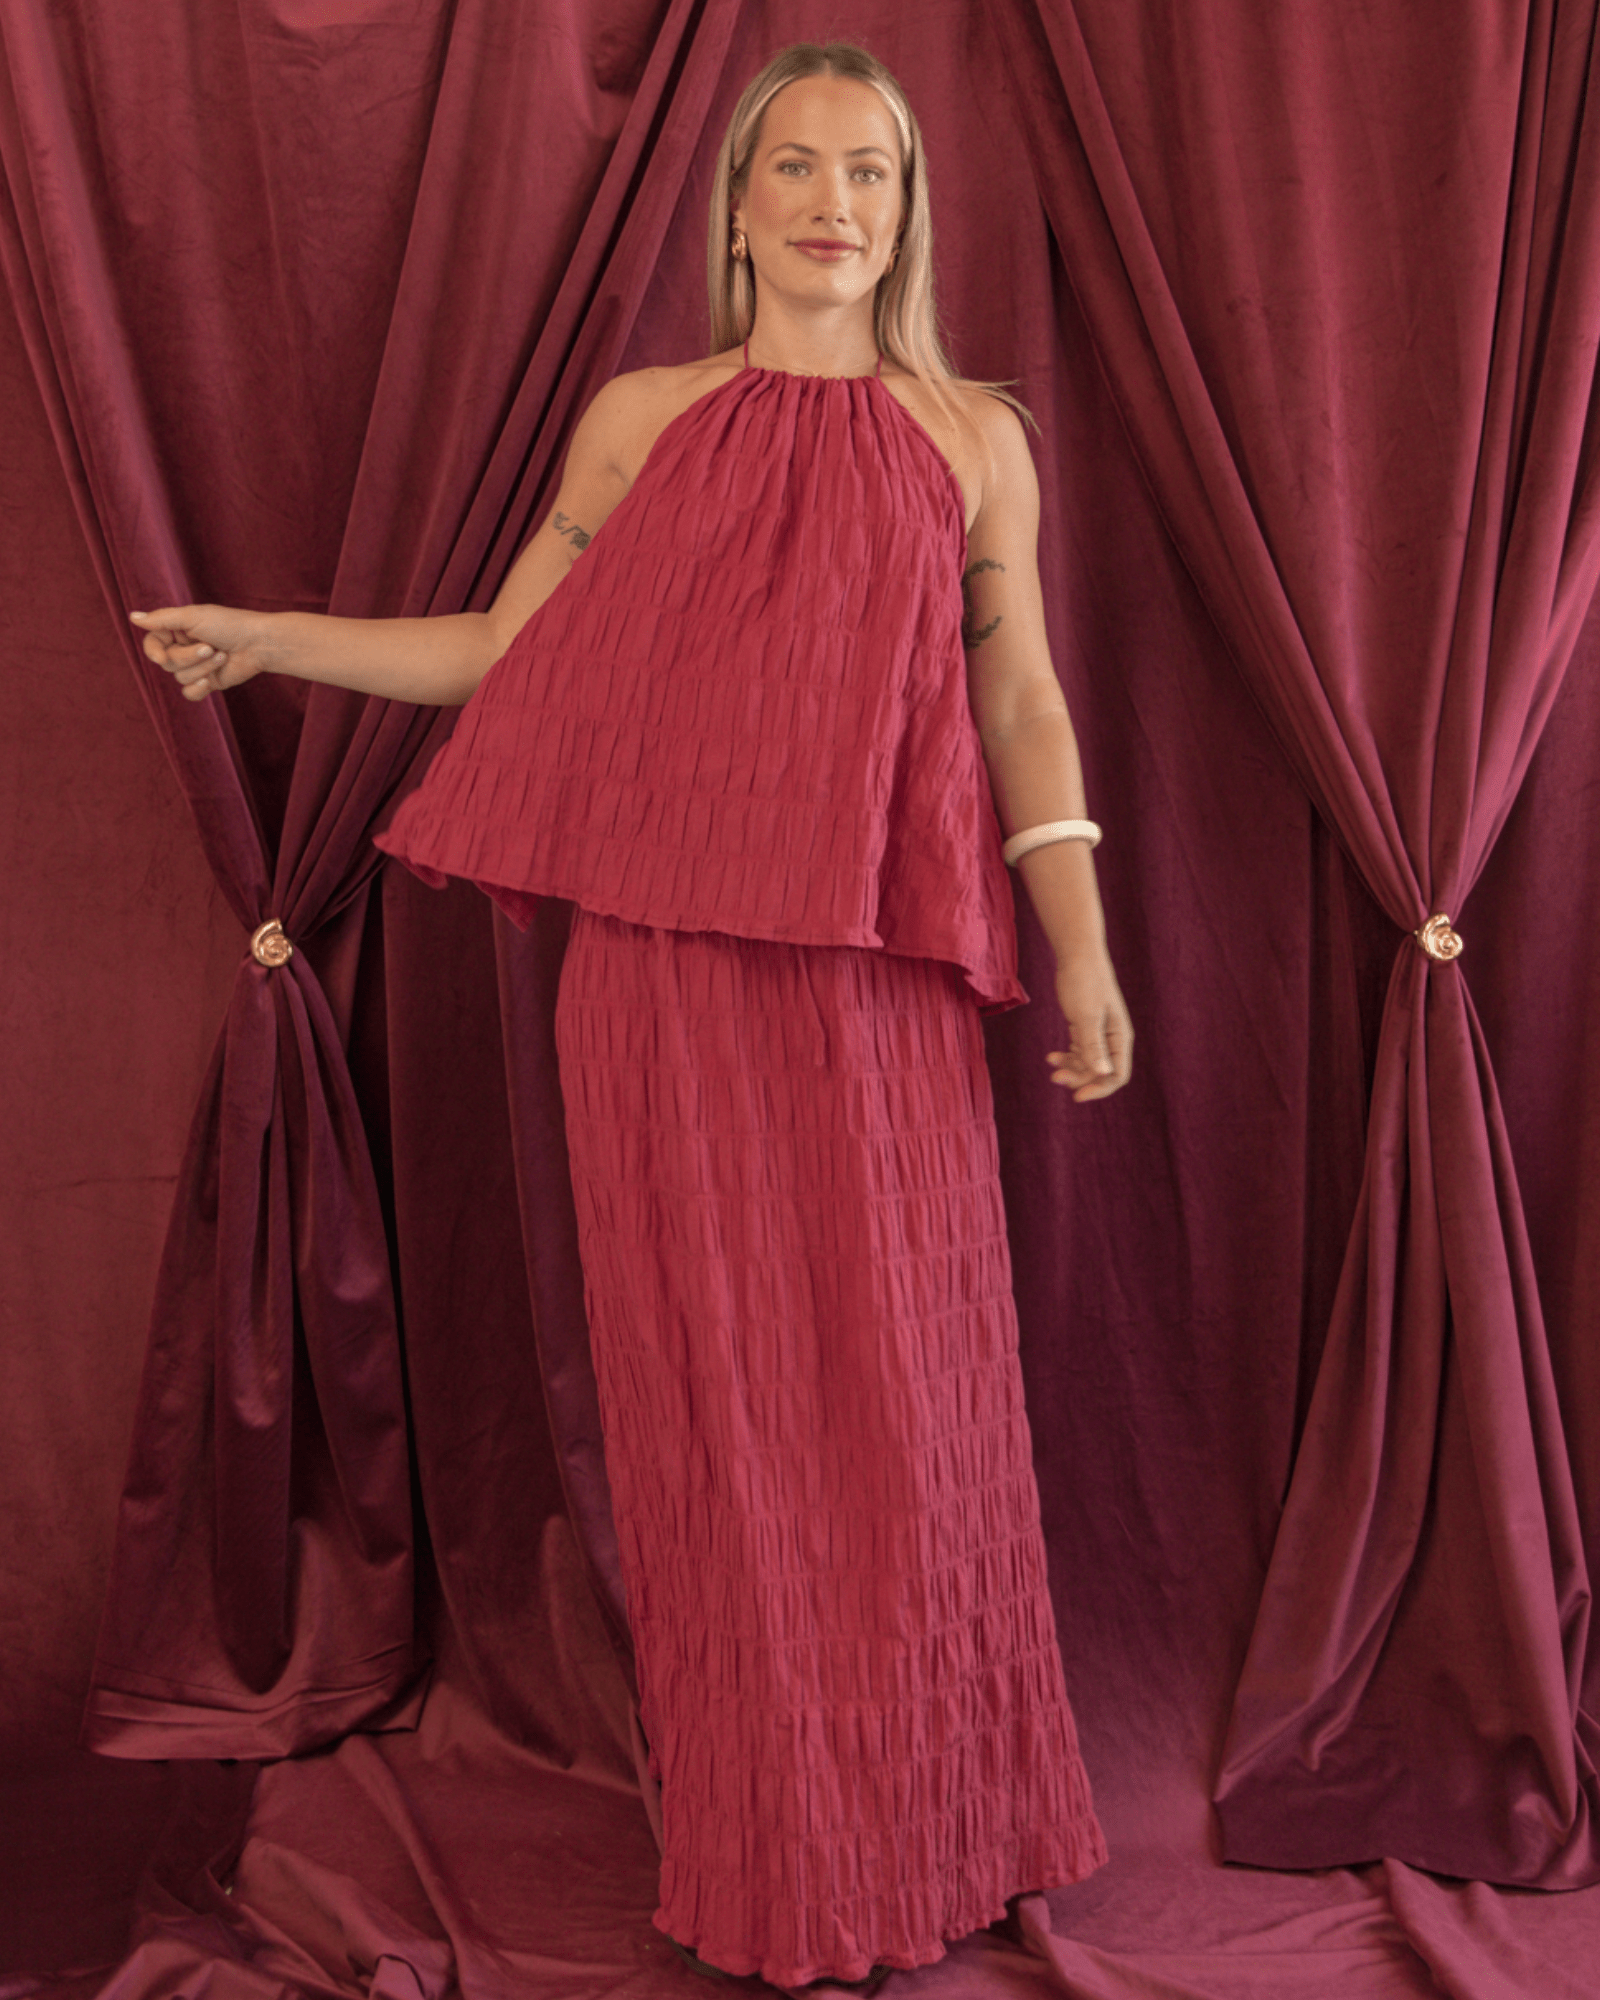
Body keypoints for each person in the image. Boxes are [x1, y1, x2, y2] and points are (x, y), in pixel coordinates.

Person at [132, 40, 1132, 1997]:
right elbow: (505, 652)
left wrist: (1077, 944)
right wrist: (270, 640)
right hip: (661, 998)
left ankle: (938, 1826)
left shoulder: (974, 438)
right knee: (726, 1421)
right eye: (796, 168)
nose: (833, 202)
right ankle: (788, 1860)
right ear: (737, 205)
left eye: (869, 170)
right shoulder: (642, 422)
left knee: (903, 1405)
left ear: (907, 211)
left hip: (874, 988)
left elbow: (1020, 702)